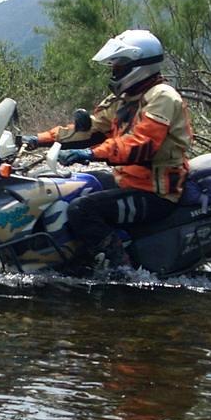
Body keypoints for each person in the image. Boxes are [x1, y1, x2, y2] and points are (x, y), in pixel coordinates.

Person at [22, 29, 193, 270]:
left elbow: (140, 145)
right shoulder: (125, 99)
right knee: (73, 186)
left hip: (158, 192)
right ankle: (73, 257)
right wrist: (38, 139)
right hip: (130, 182)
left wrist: (91, 154)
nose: (114, 72)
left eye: (118, 66)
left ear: (139, 65)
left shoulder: (162, 97)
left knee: (82, 209)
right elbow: (89, 129)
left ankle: (120, 269)